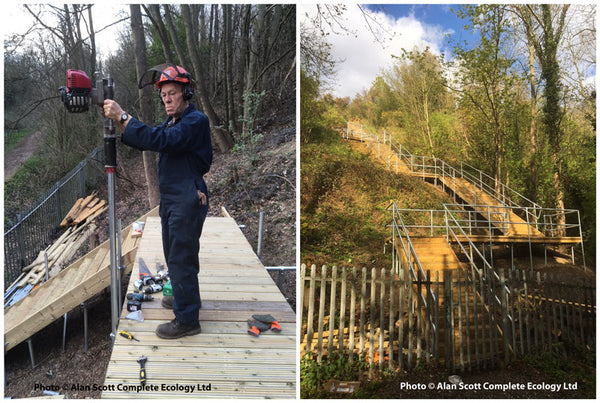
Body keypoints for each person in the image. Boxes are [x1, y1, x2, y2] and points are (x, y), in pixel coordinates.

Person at [102, 64, 212, 339]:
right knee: (177, 257)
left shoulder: (194, 121)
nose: (167, 99)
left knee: (181, 258)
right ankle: (187, 301)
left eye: (172, 93)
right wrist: (121, 123)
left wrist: (123, 115)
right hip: (174, 199)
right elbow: (149, 139)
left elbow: (160, 139)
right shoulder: (173, 122)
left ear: (186, 93)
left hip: (186, 197)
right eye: (163, 95)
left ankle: (187, 320)